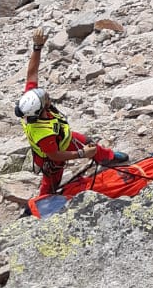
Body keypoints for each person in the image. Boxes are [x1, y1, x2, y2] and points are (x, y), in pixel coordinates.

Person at [16, 28, 128, 197]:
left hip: (63, 136)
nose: (46, 95)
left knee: (90, 143)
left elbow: (31, 73)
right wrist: (81, 154)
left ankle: (107, 157)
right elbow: (55, 155)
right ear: (42, 109)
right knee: (51, 183)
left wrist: (37, 48)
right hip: (53, 154)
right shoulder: (44, 134)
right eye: (45, 98)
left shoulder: (30, 104)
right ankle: (43, 201)